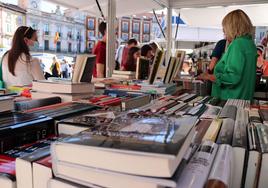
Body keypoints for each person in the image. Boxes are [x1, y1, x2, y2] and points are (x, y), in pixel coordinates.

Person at [199, 9, 257, 100]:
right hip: (244, 98)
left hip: (229, 100)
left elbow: (232, 77)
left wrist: (209, 76)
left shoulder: (237, 44)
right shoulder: (250, 44)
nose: (224, 32)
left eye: (225, 28)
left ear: (232, 27)